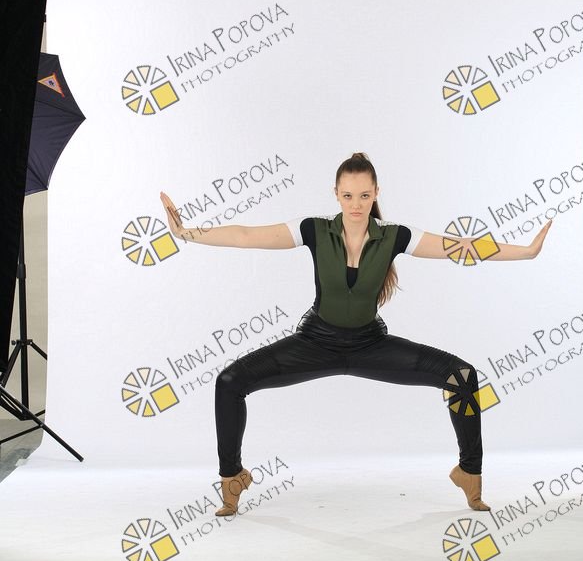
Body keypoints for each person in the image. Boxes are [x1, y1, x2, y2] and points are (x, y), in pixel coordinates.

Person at [160, 152, 551, 518]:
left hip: (371, 346)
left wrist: (526, 251)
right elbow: (247, 235)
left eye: (364, 195)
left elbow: (460, 248)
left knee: (461, 376)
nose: (356, 204)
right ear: (336, 194)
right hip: (314, 344)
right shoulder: (314, 230)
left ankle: (469, 473)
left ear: (376, 193)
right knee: (229, 382)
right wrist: (186, 232)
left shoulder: (395, 236)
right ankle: (232, 478)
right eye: (348, 195)